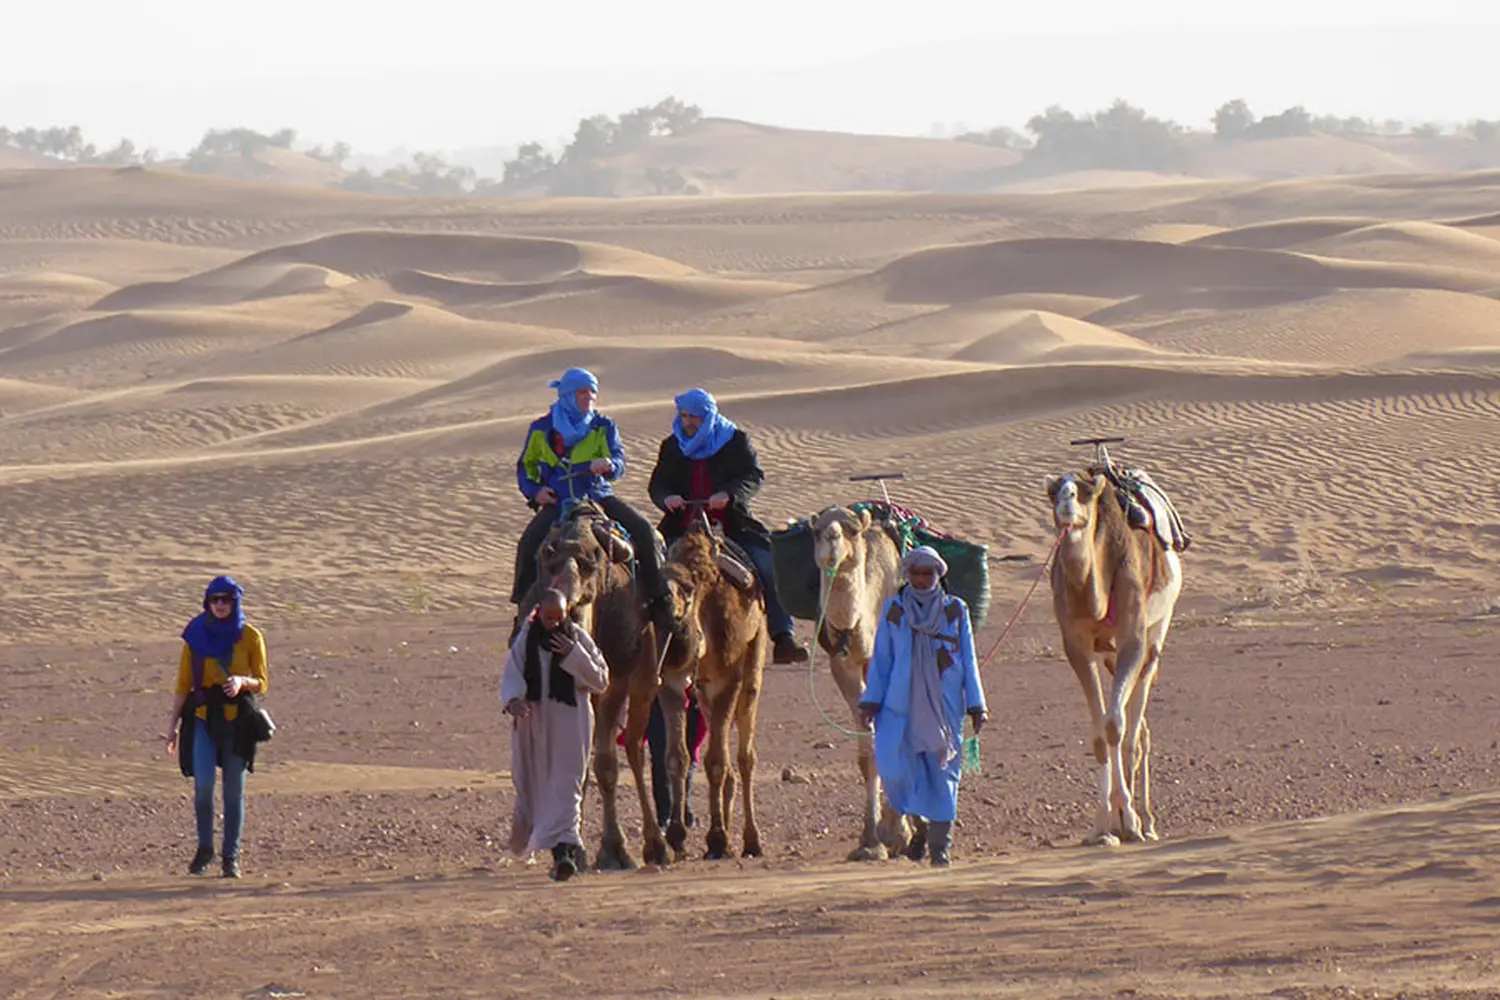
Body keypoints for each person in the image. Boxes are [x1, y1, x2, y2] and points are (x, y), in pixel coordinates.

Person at [511, 367, 677, 639]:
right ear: (566, 395)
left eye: (592, 392)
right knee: (529, 543)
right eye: (582, 392)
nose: (589, 397)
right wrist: (535, 491)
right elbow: (526, 465)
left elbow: (619, 462)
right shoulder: (541, 429)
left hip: (598, 496)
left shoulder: (603, 426)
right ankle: (522, 613)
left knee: (646, 534)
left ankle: (660, 603)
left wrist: (610, 465)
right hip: (558, 500)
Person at [647, 387, 810, 664]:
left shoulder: (735, 441)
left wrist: (730, 495)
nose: (687, 422)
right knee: (651, 571)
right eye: (684, 416)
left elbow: (753, 476)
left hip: (731, 525)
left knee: (770, 565)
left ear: (707, 416)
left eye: (693, 417)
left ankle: (783, 638)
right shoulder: (672, 445)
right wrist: (667, 498)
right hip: (682, 525)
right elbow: (658, 484)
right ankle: (649, 641)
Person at [857, 546, 987, 867]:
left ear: (937, 575)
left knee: (944, 776)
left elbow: (968, 660)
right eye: (915, 573)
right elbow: (882, 661)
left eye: (927, 573)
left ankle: (941, 847)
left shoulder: (955, 611)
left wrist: (976, 704)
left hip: (944, 709)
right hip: (899, 707)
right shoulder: (893, 611)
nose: (921, 579)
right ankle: (921, 828)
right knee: (899, 771)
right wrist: (871, 701)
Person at [162, 576, 269, 879]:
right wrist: (172, 727)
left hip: (237, 721)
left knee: (234, 790)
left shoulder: (250, 636)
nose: (220, 605)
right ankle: (205, 847)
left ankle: (230, 856)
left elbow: (262, 681)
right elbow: (183, 685)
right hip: (203, 718)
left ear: (235, 602)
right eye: (215, 600)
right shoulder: (196, 636)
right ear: (207, 603)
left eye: (226, 600)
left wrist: (241, 681)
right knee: (203, 787)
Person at [501, 588, 610, 881]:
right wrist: (514, 700)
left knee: (568, 786)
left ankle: (565, 855)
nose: (552, 624)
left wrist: (573, 655)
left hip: (571, 723)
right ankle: (560, 851)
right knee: (537, 785)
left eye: (557, 618)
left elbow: (600, 679)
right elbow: (513, 672)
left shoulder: (577, 638)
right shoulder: (527, 639)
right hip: (534, 725)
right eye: (547, 618)